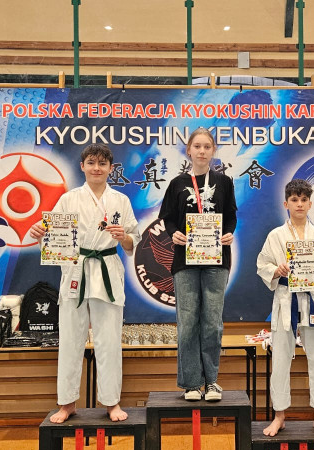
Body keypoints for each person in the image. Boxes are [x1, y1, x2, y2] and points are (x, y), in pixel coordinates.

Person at [29, 144, 140, 423]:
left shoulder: (120, 201)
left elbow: (133, 241)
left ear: (111, 168)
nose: (96, 168)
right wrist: (40, 233)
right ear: (82, 166)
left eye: (102, 164)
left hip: (107, 270)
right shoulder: (69, 199)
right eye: (91, 163)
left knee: (109, 340)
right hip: (75, 271)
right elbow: (54, 238)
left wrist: (123, 237)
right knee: (70, 340)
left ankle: (112, 402)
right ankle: (67, 403)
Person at [257, 179, 314, 437]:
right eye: (294, 200)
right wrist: (276, 270)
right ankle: (279, 416)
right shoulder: (276, 235)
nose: (299, 204)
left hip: (313, 300)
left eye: (304, 200)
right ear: (286, 203)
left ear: (310, 204)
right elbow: (262, 265)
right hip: (285, 300)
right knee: (281, 359)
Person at [159, 127, 237, 402]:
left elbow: (231, 216)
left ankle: (212, 381)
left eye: (207, 146)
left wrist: (229, 233)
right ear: (188, 150)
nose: (202, 151)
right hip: (185, 260)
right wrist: (173, 234)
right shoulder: (177, 183)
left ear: (214, 151)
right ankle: (192, 383)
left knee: (212, 323)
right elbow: (168, 218)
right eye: (197, 146)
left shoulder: (224, 182)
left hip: (216, 259)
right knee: (188, 322)